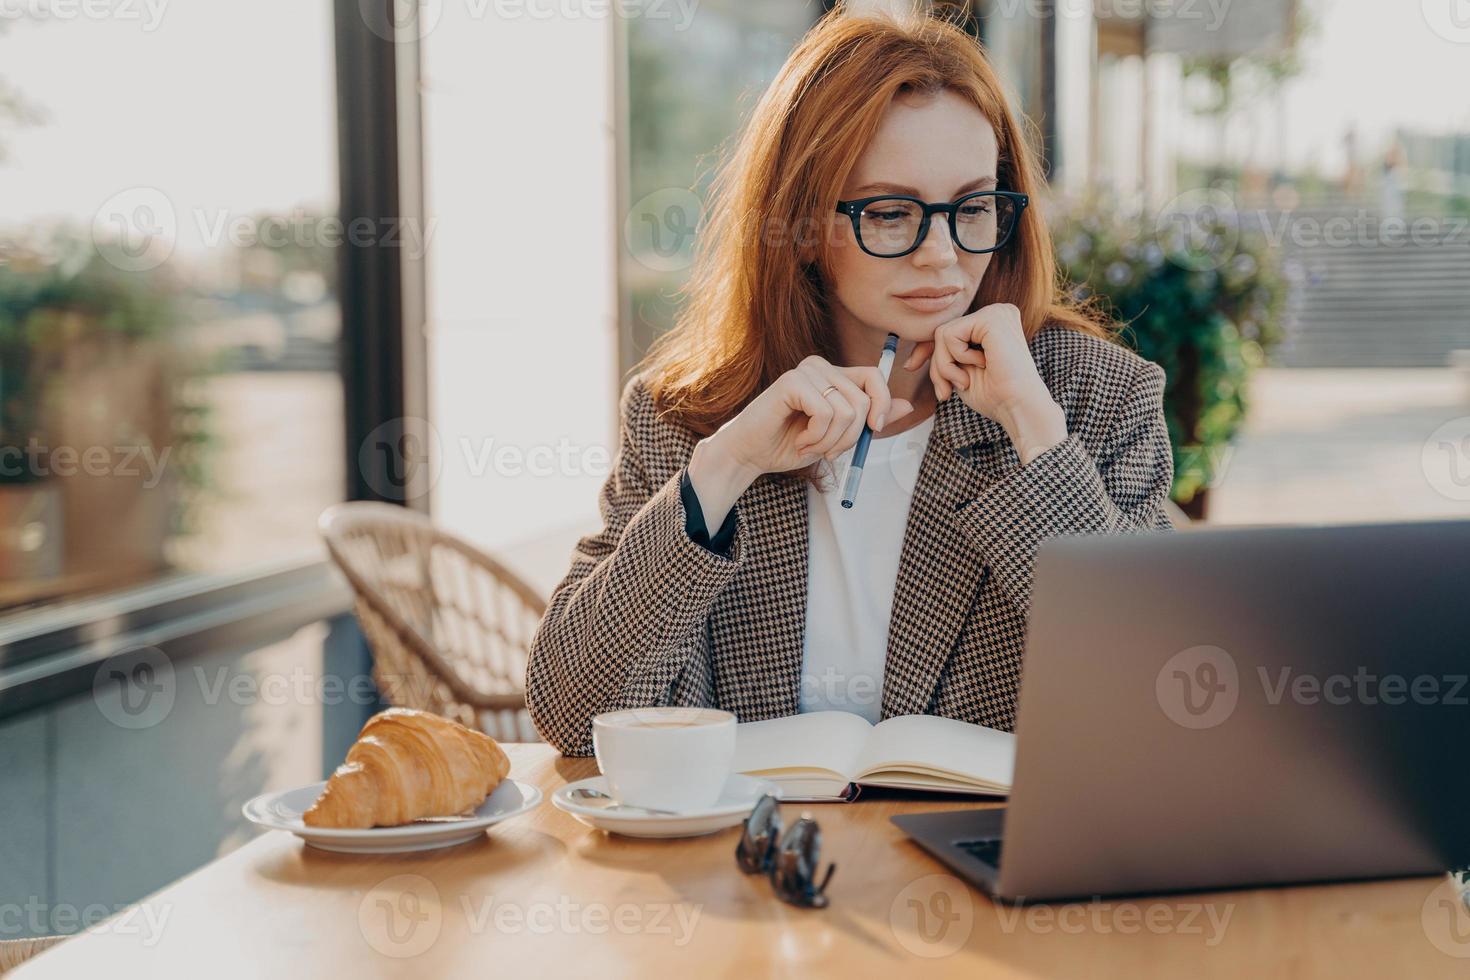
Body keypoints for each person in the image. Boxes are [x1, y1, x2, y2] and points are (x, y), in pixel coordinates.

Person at [526, 4, 1175, 756]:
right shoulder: (689, 417)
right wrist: (725, 468)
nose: (942, 255)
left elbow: (1153, 701)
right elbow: (572, 715)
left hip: (980, 864)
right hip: (749, 866)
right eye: (893, 213)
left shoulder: (1091, 399)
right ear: (801, 223)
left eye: (973, 207)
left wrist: (1037, 435)